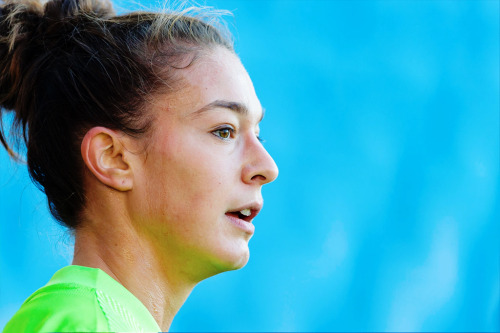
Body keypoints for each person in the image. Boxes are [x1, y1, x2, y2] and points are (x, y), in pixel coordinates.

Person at [0, 0, 278, 331]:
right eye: (224, 131)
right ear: (113, 158)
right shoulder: (86, 324)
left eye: (258, 134)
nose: (267, 167)